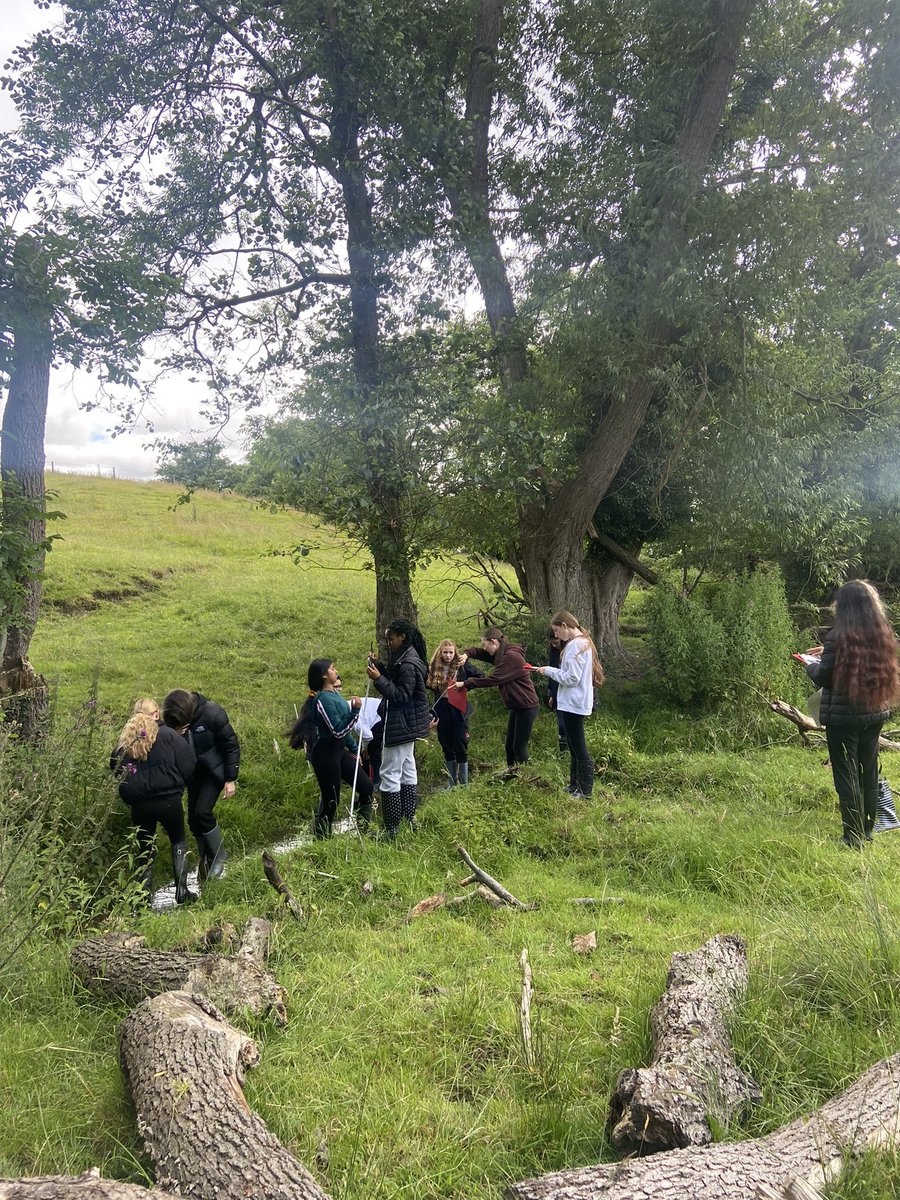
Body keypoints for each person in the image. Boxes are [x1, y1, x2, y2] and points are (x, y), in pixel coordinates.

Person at [804, 580, 899, 847]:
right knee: (868, 771)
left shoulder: (837, 636)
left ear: (844, 606)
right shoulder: (881, 633)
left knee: (846, 774)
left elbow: (823, 676)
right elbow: (858, 657)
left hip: (844, 718)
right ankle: (867, 830)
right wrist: (828, 652)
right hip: (875, 712)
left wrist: (809, 664)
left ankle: (852, 837)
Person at [111, 704, 197, 904]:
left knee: (145, 849)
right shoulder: (169, 735)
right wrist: (180, 784)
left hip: (140, 805)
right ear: (155, 715)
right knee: (178, 841)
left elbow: (115, 767)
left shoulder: (124, 743)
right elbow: (189, 763)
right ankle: (182, 891)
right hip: (169, 800)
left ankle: (142, 898)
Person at [288, 658, 373, 838]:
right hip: (326, 755)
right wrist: (355, 711)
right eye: (332, 668)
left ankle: (363, 830)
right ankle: (322, 840)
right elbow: (338, 730)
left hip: (339, 751)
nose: (336, 671)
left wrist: (354, 749)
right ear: (324, 675)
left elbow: (344, 731)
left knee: (366, 787)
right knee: (331, 801)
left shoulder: (334, 694)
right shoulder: (323, 700)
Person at [162, 689, 240, 879]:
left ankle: (220, 857)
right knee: (193, 821)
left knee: (202, 813)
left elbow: (231, 746)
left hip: (213, 772)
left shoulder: (212, 714)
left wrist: (230, 779)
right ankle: (206, 859)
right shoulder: (177, 725)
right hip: (193, 775)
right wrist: (175, 735)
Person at [366, 618, 431, 836]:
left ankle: (392, 828)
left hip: (401, 724)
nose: (389, 643)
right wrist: (379, 668)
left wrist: (378, 680)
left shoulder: (408, 664)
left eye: (391, 639)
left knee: (390, 772)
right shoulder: (407, 657)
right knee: (407, 769)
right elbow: (397, 683)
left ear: (402, 637)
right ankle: (409, 819)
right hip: (408, 724)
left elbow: (401, 695)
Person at [533, 611, 604, 797]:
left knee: (578, 747)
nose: (556, 635)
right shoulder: (583, 642)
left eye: (557, 631)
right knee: (572, 745)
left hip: (573, 703)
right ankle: (574, 785)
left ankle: (585, 790)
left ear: (565, 626)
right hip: (575, 702)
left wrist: (549, 671)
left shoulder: (575, 645)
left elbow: (572, 678)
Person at [455, 627, 539, 767]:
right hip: (518, 707)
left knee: (519, 748)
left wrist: (465, 683)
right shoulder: (502, 653)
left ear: (493, 642)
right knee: (509, 747)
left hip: (527, 706)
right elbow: (481, 653)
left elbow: (493, 679)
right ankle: (512, 774)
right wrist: (467, 654)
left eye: (485, 644)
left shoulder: (511, 657)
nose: (484, 648)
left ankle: (528, 775)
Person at [426, 639, 483, 786]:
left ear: (455, 652)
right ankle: (452, 783)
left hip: (458, 706)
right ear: (440, 652)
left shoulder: (462, 666)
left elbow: (481, 676)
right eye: (445, 652)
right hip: (442, 707)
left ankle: (464, 784)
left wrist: (465, 685)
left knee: (460, 742)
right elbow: (426, 683)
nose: (448, 655)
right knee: (445, 742)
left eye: (451, 652)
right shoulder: (433, 666)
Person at [545, 630, 568, 754]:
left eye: (556, 642)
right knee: (561, 724)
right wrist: (551, 693)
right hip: (557, 690)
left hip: (568, 691)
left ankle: (570, 750)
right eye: (552, 643)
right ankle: (563, 751)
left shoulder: (570, 651)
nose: (554, 645)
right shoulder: (554, 652)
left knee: (568, 724)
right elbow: (552, 674)